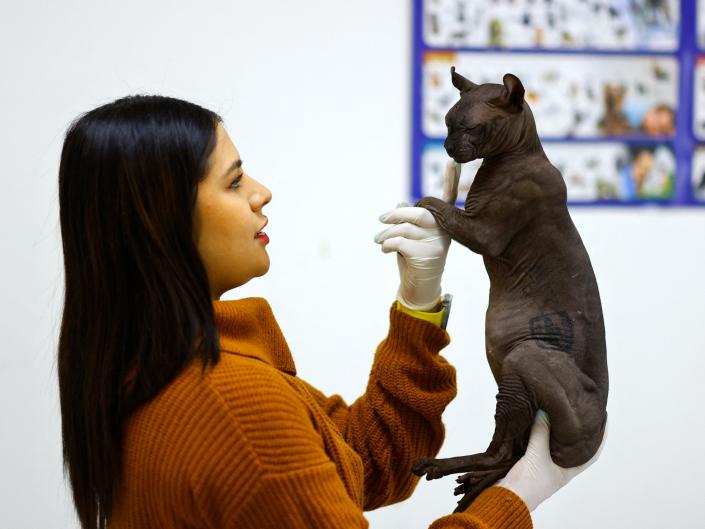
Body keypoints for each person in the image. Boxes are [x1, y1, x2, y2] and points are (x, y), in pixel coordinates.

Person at [57, 95, 604, 529]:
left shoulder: (160, 366)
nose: (262, 192)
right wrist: (519, 494)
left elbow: (361, 462)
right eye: (234, 180)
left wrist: (418, 303)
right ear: (158, 219)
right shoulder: (230, 404)